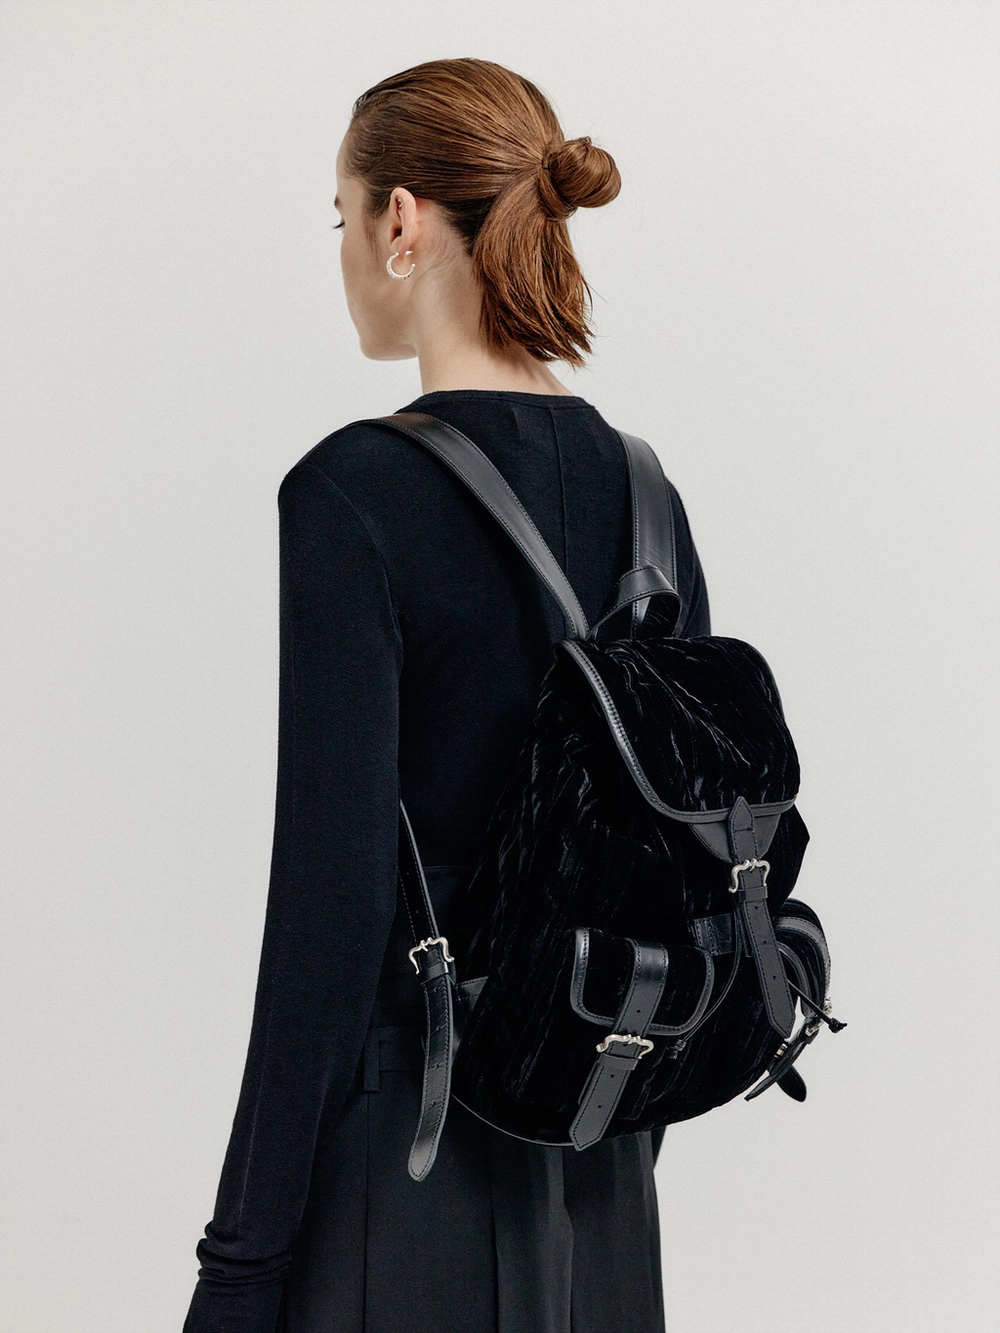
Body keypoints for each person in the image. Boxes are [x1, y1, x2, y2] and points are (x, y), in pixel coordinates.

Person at [183, 57, 709, 1333]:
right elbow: (681, 866)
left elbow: (328, 908)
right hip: (604, 1172)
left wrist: (241, 1266)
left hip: (400, 1180)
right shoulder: (647, 493)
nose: (344, 249)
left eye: (342, 215)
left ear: (402, 221)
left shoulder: (352, 494)